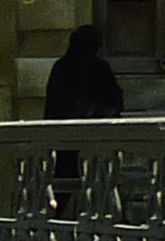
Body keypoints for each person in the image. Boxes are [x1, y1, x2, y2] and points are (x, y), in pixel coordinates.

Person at [42, 22, 123, 210]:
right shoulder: (98, 67)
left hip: (62, 136)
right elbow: (115, 100)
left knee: (64, 181)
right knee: (96, 181)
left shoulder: (61, 66)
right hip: (93, 137)